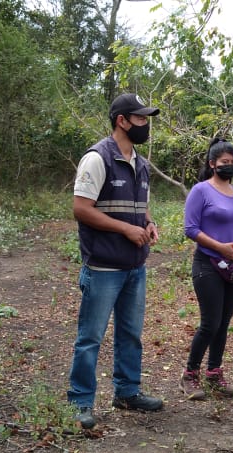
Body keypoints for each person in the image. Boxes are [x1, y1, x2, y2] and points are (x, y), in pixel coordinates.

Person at [67, 93, 164, 430]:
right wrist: (125, 229)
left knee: (130, 334)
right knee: (90, 338)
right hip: (103, 267)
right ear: (122, 120)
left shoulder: (141, 164)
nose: (145, 124)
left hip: (135, 266)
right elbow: (81, 209)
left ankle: (127, 392)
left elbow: (141, 206)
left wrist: (148, 224)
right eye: (140, 118)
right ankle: (80, 402)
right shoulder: (97, 159)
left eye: (146, 118)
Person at [180, 138, 233, 400]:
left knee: (223, 323)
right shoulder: (201, 191)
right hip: (208, 263)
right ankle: (190, 374)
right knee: (210, 323)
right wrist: (221, 247)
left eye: (232, 162)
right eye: (224, 162)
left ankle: (214, 373)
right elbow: (191, 229)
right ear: (212, 164)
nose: (229, 166)